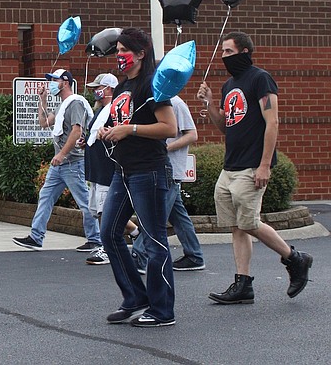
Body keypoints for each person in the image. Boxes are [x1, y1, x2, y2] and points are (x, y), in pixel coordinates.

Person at [197, 31, 312, 304]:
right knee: (238, 226)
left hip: (252, 166)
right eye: (223, 52)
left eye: (228, 51)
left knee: (249, 222)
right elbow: (225, 126)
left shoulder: (260, 79)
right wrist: (210, 103)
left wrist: (264, 165)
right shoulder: (228, 86)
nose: (224, 57)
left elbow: (272, 122)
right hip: (231, 165)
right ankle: (243, 284)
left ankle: (295, 259)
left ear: (245, 52)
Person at [97, 27, 178, 328]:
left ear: (141, 53)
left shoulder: (153, 84)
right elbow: (124, 123)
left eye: (123, 50)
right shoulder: (121, 88)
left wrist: (128, 130)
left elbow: (168, 127)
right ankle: (134, 297)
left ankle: (162, 310)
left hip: (149, 171)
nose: (118, 55)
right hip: (124, 169)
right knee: (109, 233)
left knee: (155, 241)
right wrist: (111, 132)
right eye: (116, 50)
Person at [13, 69, 101, 252]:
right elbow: (44, 122)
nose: (51, 83)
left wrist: (61, 155)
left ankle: (95, 239)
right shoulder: (62, 106)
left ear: (65, 82)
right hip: (60, 165)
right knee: (45, 197)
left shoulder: (75, 103)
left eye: (54, 80)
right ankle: (36, 237)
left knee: (84, 201)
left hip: (73, 162)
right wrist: (42, 101)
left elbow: (77, 131)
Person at [132, 95, 205, 273]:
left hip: (170, 168)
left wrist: (168, 147)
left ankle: (139, 254)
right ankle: (194, 255)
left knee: (155, 214)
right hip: (159, 165)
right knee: (177, 214)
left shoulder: (177, 103)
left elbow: (192, 134)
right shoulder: (155, 100)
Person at [83, 72, 140, 266]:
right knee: (99, 209)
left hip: (107, 169)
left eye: (98, 88)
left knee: (104, 211)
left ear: (109, 89)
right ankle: (135, 232)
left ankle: (107, 248)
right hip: (96, 169)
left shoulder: (114, 110)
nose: (95, 92)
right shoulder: (100, 110)